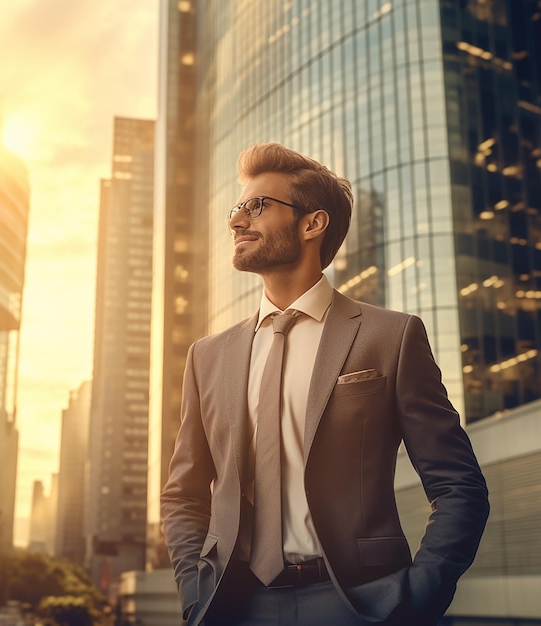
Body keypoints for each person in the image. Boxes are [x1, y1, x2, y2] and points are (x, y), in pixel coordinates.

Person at [160, 143, 489, 626]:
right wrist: (195, 592)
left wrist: (415, 602)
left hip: (360, 604)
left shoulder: (390, 336)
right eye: (237, 208)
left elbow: (459, 486)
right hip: (233, 606)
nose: (236, 221)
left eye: (257, 206)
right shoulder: (207, 357)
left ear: (312, 224)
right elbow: (183, 494)